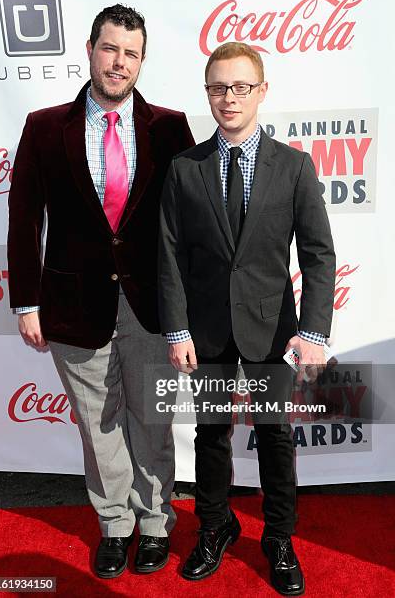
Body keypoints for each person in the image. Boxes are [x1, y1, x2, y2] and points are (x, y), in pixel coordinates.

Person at [7, 4, 194, 579]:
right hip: (71, 304)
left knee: (152, 420)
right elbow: (23, 217)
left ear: (142, 61)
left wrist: (191, 308)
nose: (120, 63)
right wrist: (26, 300)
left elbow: (185, 224)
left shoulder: (169, 126)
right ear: (90, 49)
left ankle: (156, 522)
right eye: (110, 49)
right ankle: (115, 524)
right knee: (99, 423)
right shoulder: (43, 126)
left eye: (131, 53)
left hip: (151, 305)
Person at [159, 42, 335, 595]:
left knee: (274, 435)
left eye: (240, 86)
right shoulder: (186, 169)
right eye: (217, 87)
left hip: (273, 330)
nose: (228, 97)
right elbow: (168, 252)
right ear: (206, 93)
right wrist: (178, 328)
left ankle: (279, 538)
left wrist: (312, 332)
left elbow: (318, 253)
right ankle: (215, 526)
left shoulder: (294, 166)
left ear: (262, 92)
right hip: (206, 329)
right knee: (211, 433)